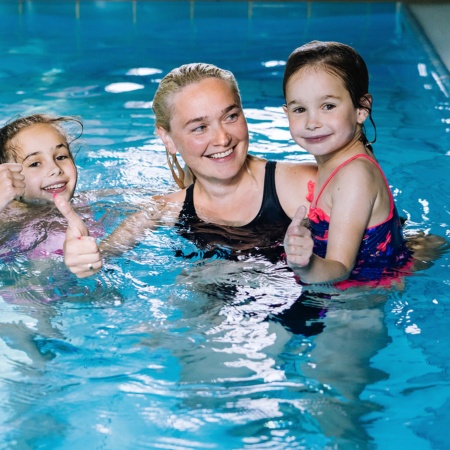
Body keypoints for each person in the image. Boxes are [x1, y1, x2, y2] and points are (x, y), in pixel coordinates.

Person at [55, 62, 317, 277]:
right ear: (167, 138)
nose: (222, 139)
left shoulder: (301, 185)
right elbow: (97, 261)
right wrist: (82, 260)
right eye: (199, 127)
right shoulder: (163, 211)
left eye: (230, 116)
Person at [282, 41, 412, 285]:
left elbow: (340, 268)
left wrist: (305, 263)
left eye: (328, 106)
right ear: (285, 112)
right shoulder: (339, 159)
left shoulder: (354, 176)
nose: (312, 122)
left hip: (361, 297)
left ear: (361, 109)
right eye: (299, 109)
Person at [0, 113, 93, 259]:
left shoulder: (84, 202)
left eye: (61, 157)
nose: (55, 168)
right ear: (8, 177)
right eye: (35, 163)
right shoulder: (7, 220)